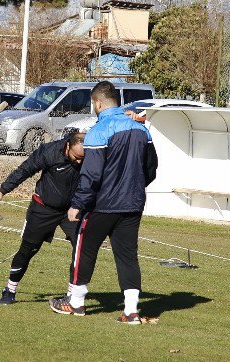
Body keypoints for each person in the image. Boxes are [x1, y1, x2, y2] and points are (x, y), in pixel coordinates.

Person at [48, 81, 158, 324]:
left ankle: (75, 303)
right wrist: (134, 188)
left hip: (102, 205)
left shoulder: (98, 131)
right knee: (128, 256)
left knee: (84, 250)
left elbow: (91, 175)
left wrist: (77, 203)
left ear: (97, 103)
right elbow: (151, 169)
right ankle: (131, 312)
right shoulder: (143, 130)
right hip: (133, 204)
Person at [0, 132, 86, 305]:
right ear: (67, 146)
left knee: (81, 249)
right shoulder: (49, 152)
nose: (79, 162)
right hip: (43, 209)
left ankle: (72, 296)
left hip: (72, 211)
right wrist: (2, 191)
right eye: (76, 157)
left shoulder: (90, 155)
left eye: (82, 158)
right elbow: (24, 170)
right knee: (28, 250)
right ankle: (10, 290)